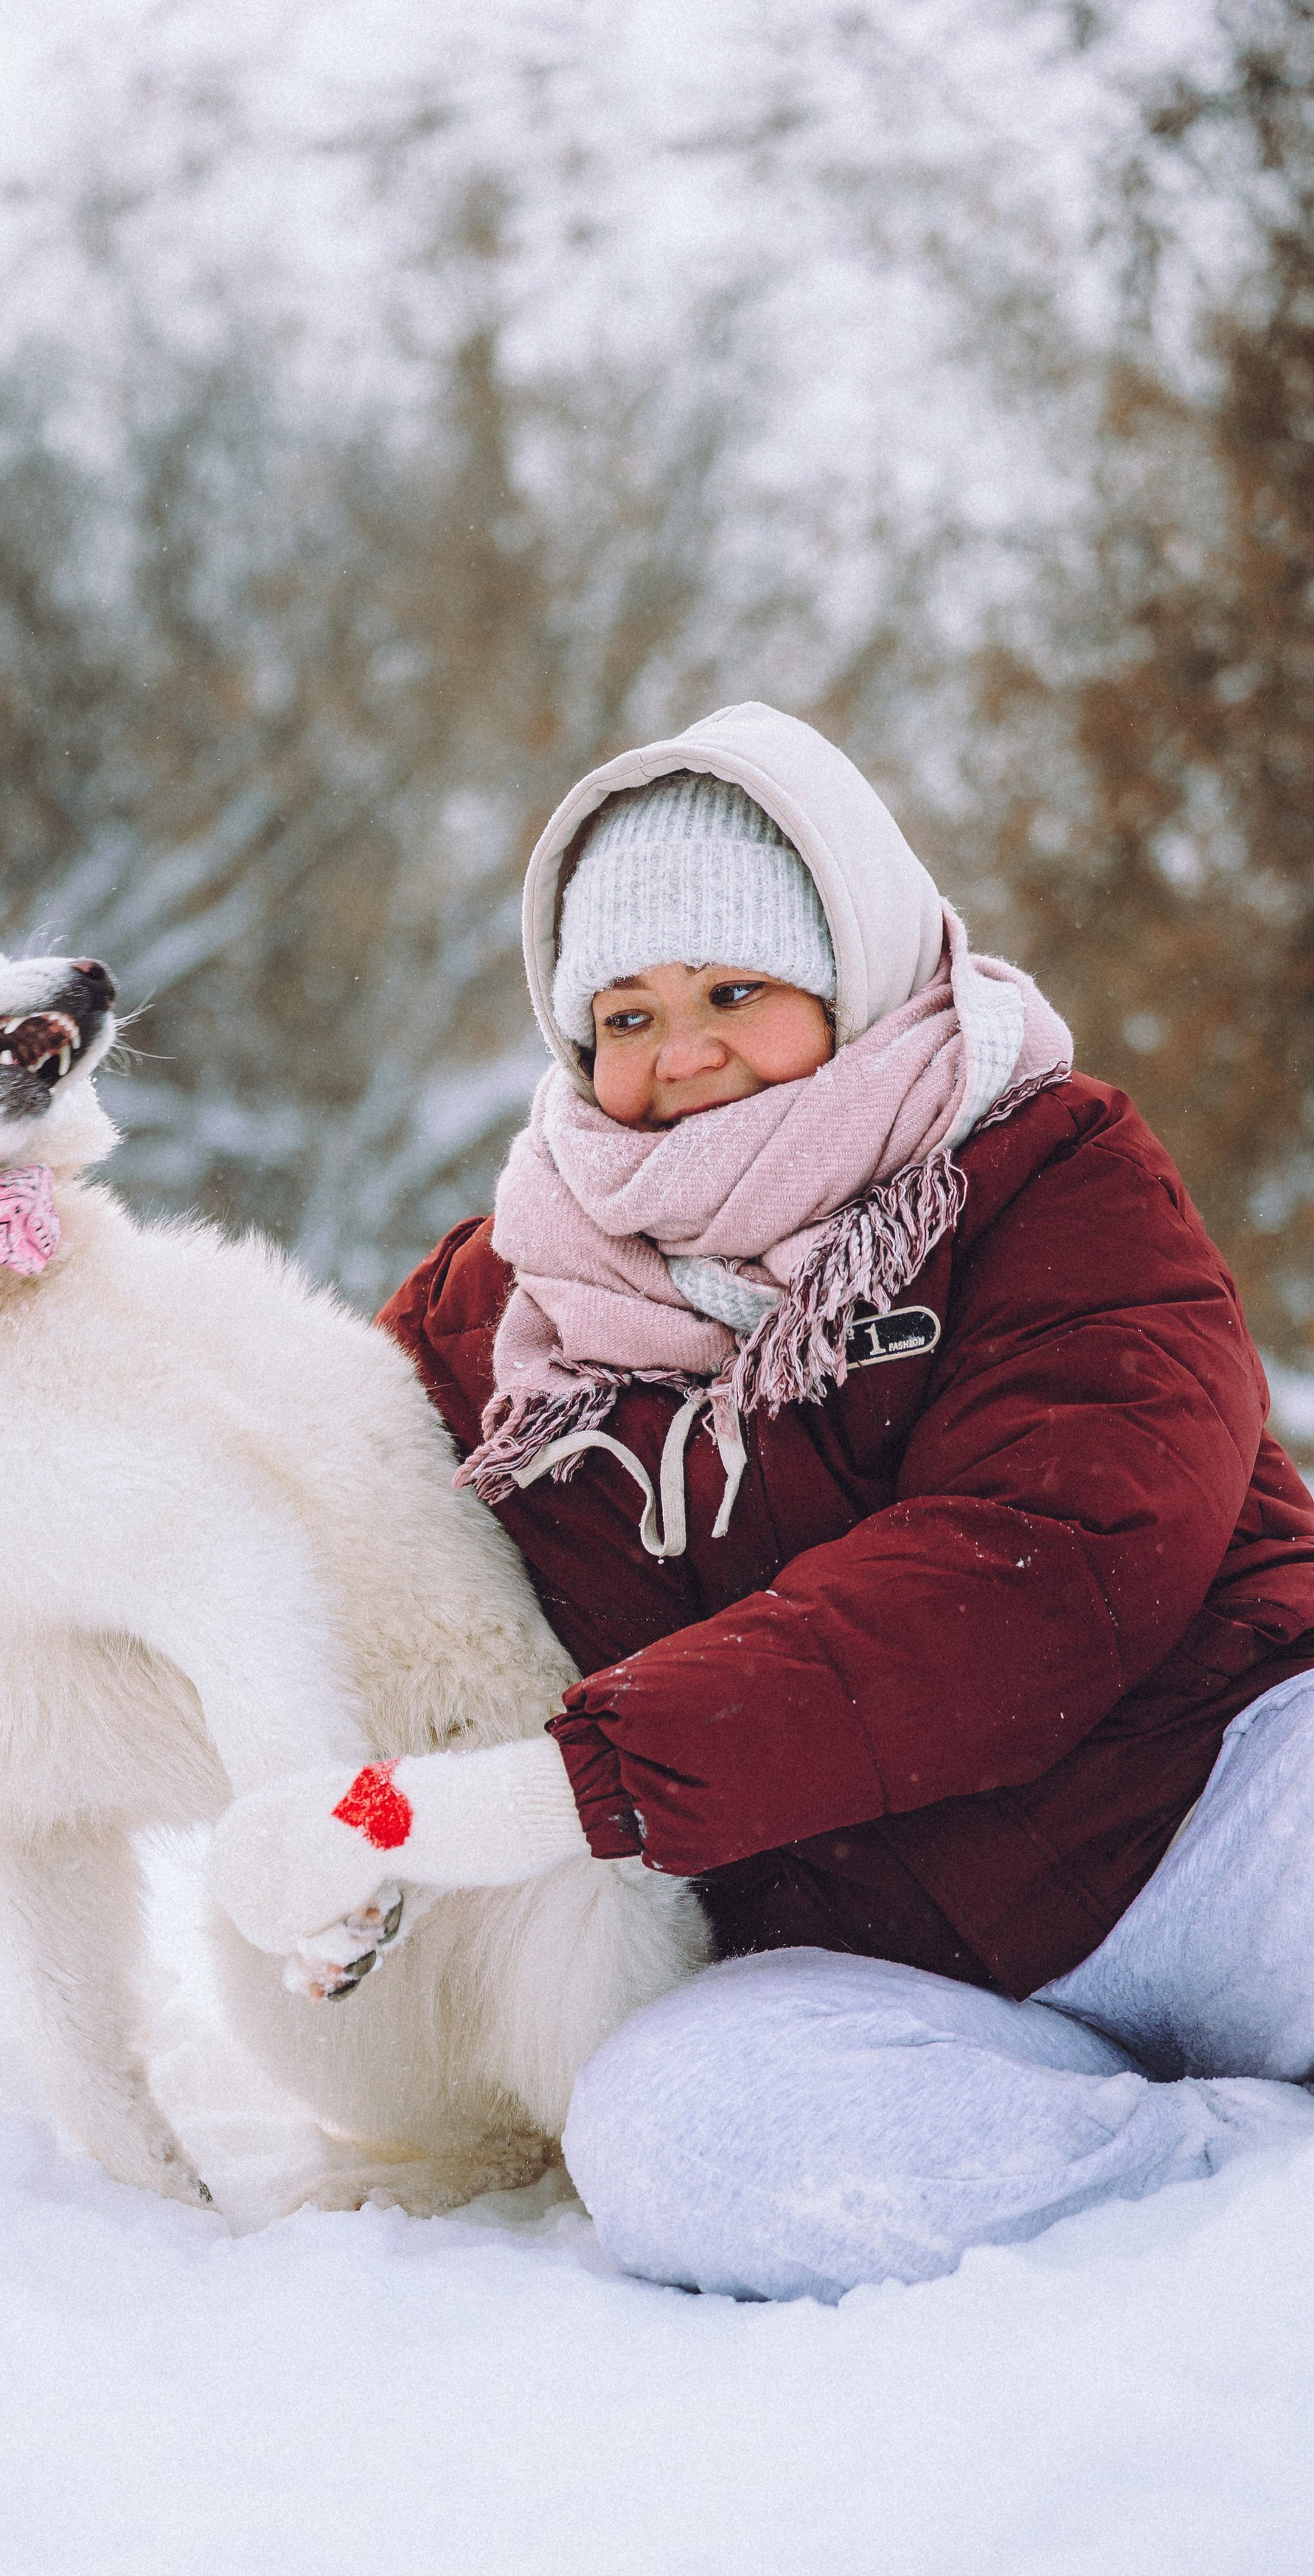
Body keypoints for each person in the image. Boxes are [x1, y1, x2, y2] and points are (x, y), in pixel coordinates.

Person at [207, 701, 1314, 2300]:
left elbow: (1037, 1568)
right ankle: (1223, 2173)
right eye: (629, 1015)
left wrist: (567, 1788)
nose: (683, 1055)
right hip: (881, 1957)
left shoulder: (1040, 1173)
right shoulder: (495, 1306)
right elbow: (330, 1522)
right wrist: (306, 1807)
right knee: (674, 2141)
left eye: (736, 992)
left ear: (849, 972)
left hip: (1213, 1802)